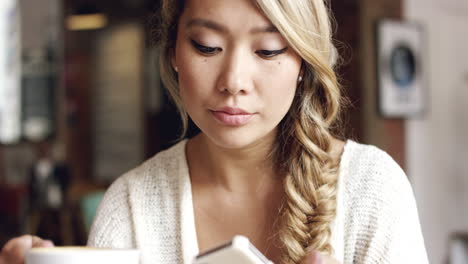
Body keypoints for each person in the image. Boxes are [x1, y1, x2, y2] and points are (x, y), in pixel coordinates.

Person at [0, 0, 429, 263]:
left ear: (303, 62)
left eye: (268, 50)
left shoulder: (372, 189)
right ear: (172, 52)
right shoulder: (133, 205)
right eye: (207, 45)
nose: (234, 81)